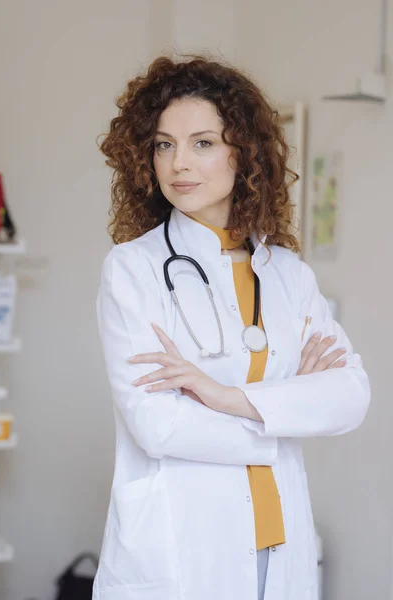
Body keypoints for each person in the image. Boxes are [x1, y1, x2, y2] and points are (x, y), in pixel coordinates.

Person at [93, 54, 370, 600]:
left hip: (282, 543)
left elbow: (351, 396)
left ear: (243, 154)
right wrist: (283, 420)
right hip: (184, 547)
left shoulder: (288, 274)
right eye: (164, 145)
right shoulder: (133, 269)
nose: (179, 164)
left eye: (202, 143)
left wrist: (223, 396)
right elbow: (158, 425)